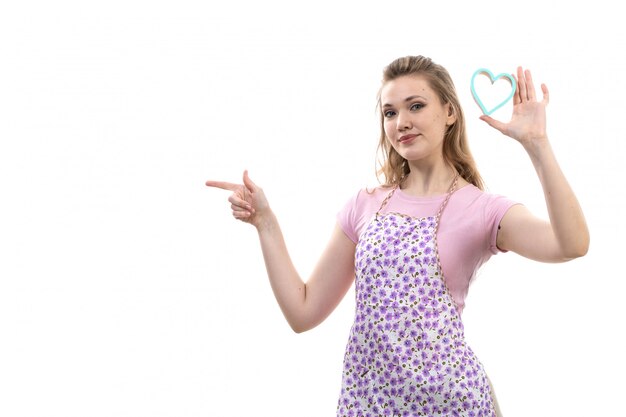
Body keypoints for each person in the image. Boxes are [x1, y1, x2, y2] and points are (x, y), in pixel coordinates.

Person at [206, 55, 589, 417]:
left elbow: (571, 245)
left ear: (450, 112)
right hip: (370, 403)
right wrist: (266, 224)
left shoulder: (481, 209)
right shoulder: (364, 205)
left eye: (416, 106)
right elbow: (302, 312)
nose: (401, 121)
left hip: (453, 404)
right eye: (390, 112)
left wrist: (537, 145)